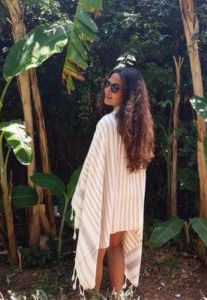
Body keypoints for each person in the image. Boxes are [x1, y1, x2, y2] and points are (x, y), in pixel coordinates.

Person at [71, 67, 154, 298]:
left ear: (128, 93)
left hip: (106, 197)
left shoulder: (106, 124)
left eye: (115, 87)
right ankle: (117, 295)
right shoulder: (141, 128)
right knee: (116, 245)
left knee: (98, 250)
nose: (108, 90)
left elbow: (93, 168)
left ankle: (95, 296)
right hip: (126, 201)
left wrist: (87, 196)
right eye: (107, 84)